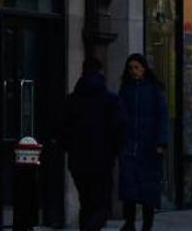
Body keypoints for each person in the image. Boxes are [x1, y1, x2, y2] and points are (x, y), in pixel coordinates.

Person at [58, 60, 123, 231]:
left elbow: (60, 129)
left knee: (86, 202)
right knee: (101, 205)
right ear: (101, 72)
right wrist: (113, 151)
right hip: (102, 159)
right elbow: (118, 129)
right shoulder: (110, 100)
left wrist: (69, 147)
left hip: (78, 160)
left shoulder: (71, 100)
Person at [117, 55, 168, 231]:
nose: (134, 71)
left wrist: (161, 142)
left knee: (148, 191)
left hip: (149, 147)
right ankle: (129, 223)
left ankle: (147, 226)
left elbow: (163, 117)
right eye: (131, 68)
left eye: (137, 67)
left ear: (144, 68)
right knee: (129, 190)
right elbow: (119, 117)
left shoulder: (154, 90)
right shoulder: (125, 90)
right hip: (129, 146)